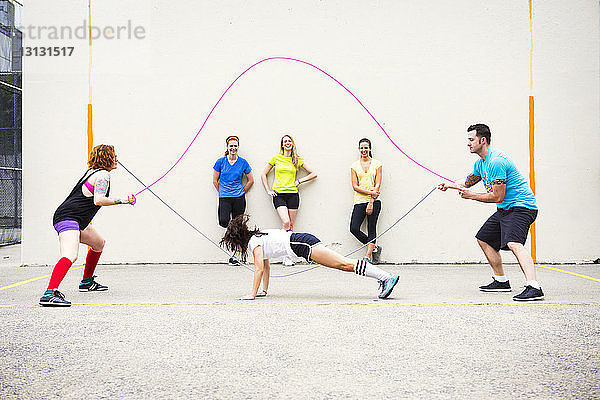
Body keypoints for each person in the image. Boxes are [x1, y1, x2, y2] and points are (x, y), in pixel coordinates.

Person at [438, 124, 543, 301]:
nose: (468, 144)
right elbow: (468, 181)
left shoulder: (496, 161)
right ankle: (501, 281)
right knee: (484, 238)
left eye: (471, 140)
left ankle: (534, 286)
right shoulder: (481, 162)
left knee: (514, 243)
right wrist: (449, 185)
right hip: (506, 209)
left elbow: (497, 196)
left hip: (522, 207)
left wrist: (471, 196)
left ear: (483, 140)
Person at [39, 144, 136, 307]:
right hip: (68, 218)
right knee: (70, 254)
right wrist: (123, 200)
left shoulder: (94, 172)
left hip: (77, 220)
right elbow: (98, 200)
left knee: (98, 243)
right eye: (114, 156)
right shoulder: (103, 175)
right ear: (106, 158)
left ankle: (87, 282)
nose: (116, 159)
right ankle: (49, 293)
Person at [220, 214, 399, 300]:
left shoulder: (253, 242)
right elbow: (265, 267)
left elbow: (258, 268)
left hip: (301, 243)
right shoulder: (258, 238)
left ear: (238, 239)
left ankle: (386, 277)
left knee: (343, 264)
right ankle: (384, 278)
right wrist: (262, 291)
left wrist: (251, 294)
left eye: (233, 245)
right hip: (301, 243)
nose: (235, 249)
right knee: (342, 265)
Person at [261, 134, 317, 266]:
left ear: (292, 144)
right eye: (285, 141)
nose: (287, 143)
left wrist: (299, 181)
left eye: (289, 141)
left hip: (293, 195)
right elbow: (263, 174)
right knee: (285, 222)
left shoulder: (297, 159)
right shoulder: (276, 158)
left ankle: (288, 255)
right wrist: (268, 190)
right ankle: (285, 254)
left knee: (290, 225)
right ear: (282, 144)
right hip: (279, 194)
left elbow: (313, 173)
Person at [350, 138, 383, 263]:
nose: (364, 150)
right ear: (359, 149)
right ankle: (374, 248)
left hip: (374, 202)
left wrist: (371, 201)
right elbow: (355, 186)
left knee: (371, 228)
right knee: (354, 228)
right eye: (361, 148)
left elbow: (377, 184)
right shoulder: (354, 166)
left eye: (366, 147)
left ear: (370, 149)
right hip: (359, 201)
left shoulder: (377, 164)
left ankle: (367, 257)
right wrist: (370, 193)